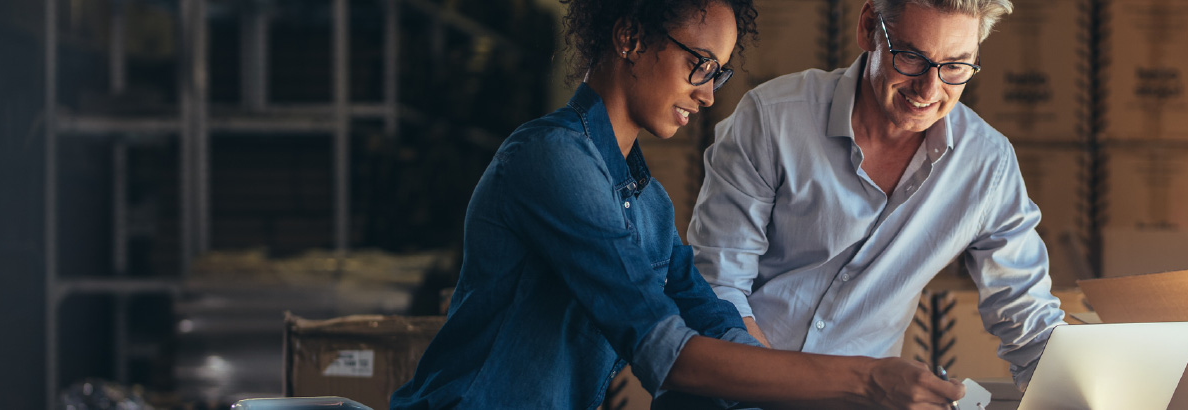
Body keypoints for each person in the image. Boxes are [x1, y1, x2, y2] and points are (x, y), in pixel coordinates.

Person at [390, 0, 966, 408]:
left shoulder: (648, 204)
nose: (709, 93)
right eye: (699, 64)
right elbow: (665, 351)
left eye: (719, 72)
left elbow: (712, 319)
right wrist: (865, 383)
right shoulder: (550, 161)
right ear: (630, 38)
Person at [689, 0, 1066, 393]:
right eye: (911, 58)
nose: (930, 89)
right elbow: (717, 291)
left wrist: (1078, 389)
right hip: (732, 393)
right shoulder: (771, 120)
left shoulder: (987, 165)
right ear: (869, 27)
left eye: (955, 66)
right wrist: (790, 395)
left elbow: (1028, 318)